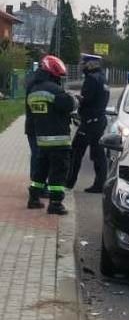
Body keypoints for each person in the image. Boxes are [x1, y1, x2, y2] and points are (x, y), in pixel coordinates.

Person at [26, 55, 75, 215]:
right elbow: (69, 105)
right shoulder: (54, 90)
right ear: (53, 74)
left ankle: (33, 199)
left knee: (40, 171)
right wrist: (75, 99)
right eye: (59, 77)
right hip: (59, 141)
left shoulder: (33, 90)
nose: (60, 79)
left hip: (42, 140)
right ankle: (55, 203)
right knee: (58, 173)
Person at [66, 53, 110, 193]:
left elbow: (87, 99)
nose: (81, 66)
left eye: (83, 63)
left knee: (75, 152)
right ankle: (100, 184)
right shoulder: (103, 78)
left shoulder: (91, 79)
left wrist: (75, 98)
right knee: (98, 154)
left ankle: (69, 182)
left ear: (91, 64)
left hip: (90, 122)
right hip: (99, 120)